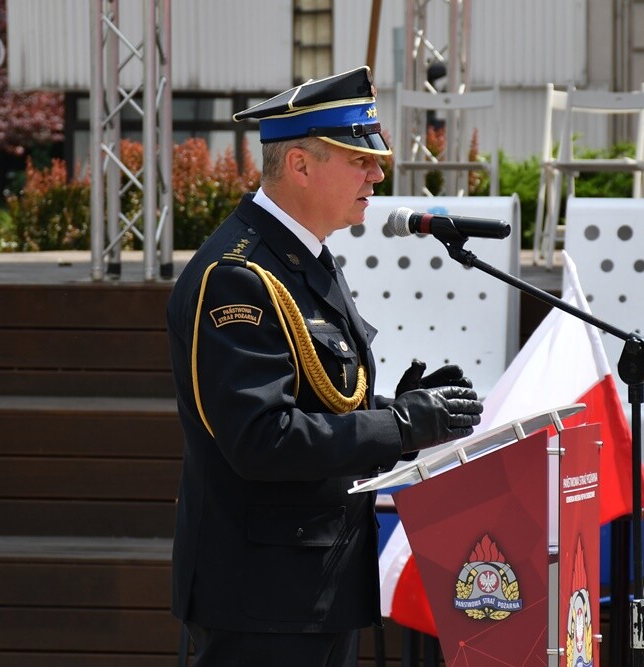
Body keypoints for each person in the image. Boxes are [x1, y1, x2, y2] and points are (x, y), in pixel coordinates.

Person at [165, 65, 484, 666]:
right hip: (262, 598)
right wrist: (398, 426)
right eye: (359, 159)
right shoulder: (239, 275)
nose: (377, 174)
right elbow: (262, 440)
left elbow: (316, 406)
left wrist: (402, 413)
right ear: (300, 165)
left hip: (312, 586)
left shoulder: (302, 256)